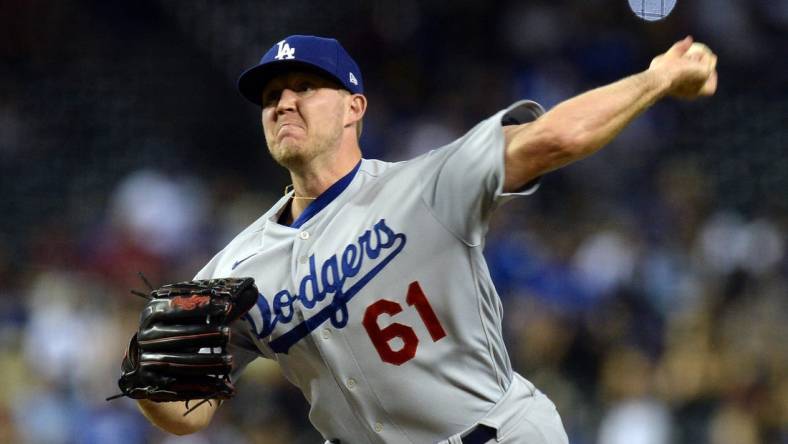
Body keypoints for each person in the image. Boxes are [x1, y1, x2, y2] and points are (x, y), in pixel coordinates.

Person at [134, 34, 717, 443]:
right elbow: (189, 416)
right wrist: (148, 375)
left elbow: (552, 139)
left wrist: (658, 77)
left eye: (304, 86)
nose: (283, 102)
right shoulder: (233, 269)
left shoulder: (427, 185)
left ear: (353, 108)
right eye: (270, 96)